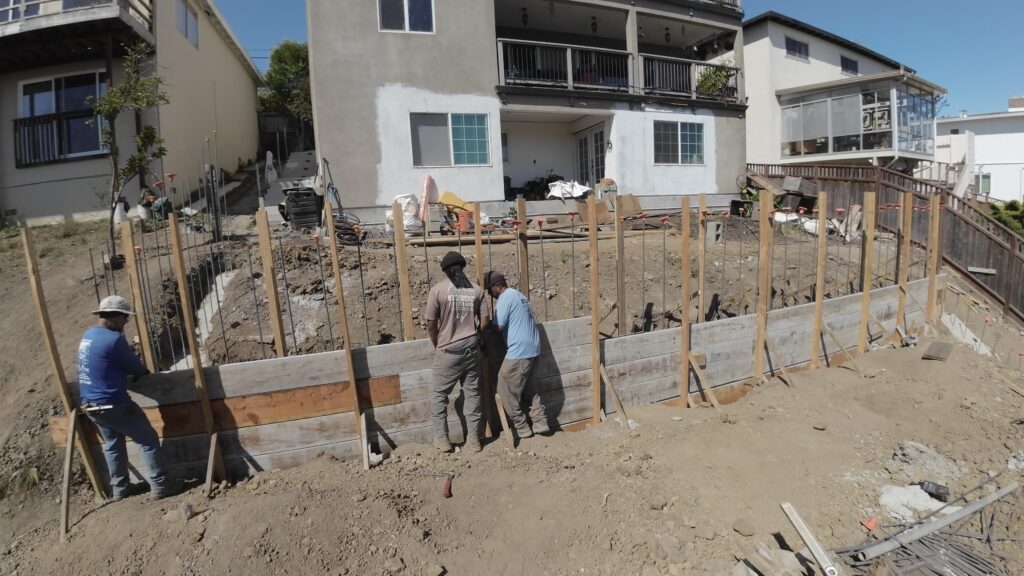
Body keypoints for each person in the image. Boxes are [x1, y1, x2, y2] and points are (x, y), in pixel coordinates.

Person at [77, 295, 178, 500]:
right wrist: (145, 373)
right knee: (147, 439)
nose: (126, 323)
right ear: (114, 317)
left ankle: (120, 489)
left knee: (113, 444)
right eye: (125, 318)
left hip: (91, 404)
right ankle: (161, 485)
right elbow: (136, 368)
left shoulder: (88, 336)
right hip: (112, 402)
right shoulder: (113, 339)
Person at [425, 252, 486, 453]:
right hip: (472, 349)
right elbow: (484, 321)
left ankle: (442, 441)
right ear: (462, 267)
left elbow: (430, 323)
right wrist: (477, 336)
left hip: (448, 351)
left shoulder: (437, 291)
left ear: (445, 270)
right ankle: (475, 441)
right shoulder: (477, 291)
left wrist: (438, 344)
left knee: (439, 395)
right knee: (472, 394)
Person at [485, 270, 548, 439]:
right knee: (529, 387)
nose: (490, 293)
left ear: (496, 286)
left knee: (503, 386)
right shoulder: (520, 295)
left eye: (489, 289)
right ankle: (540, 422)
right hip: (533, 349)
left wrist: (485, 325)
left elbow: (498, 327)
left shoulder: (505, 297)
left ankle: (521, 427)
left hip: (519, 351)